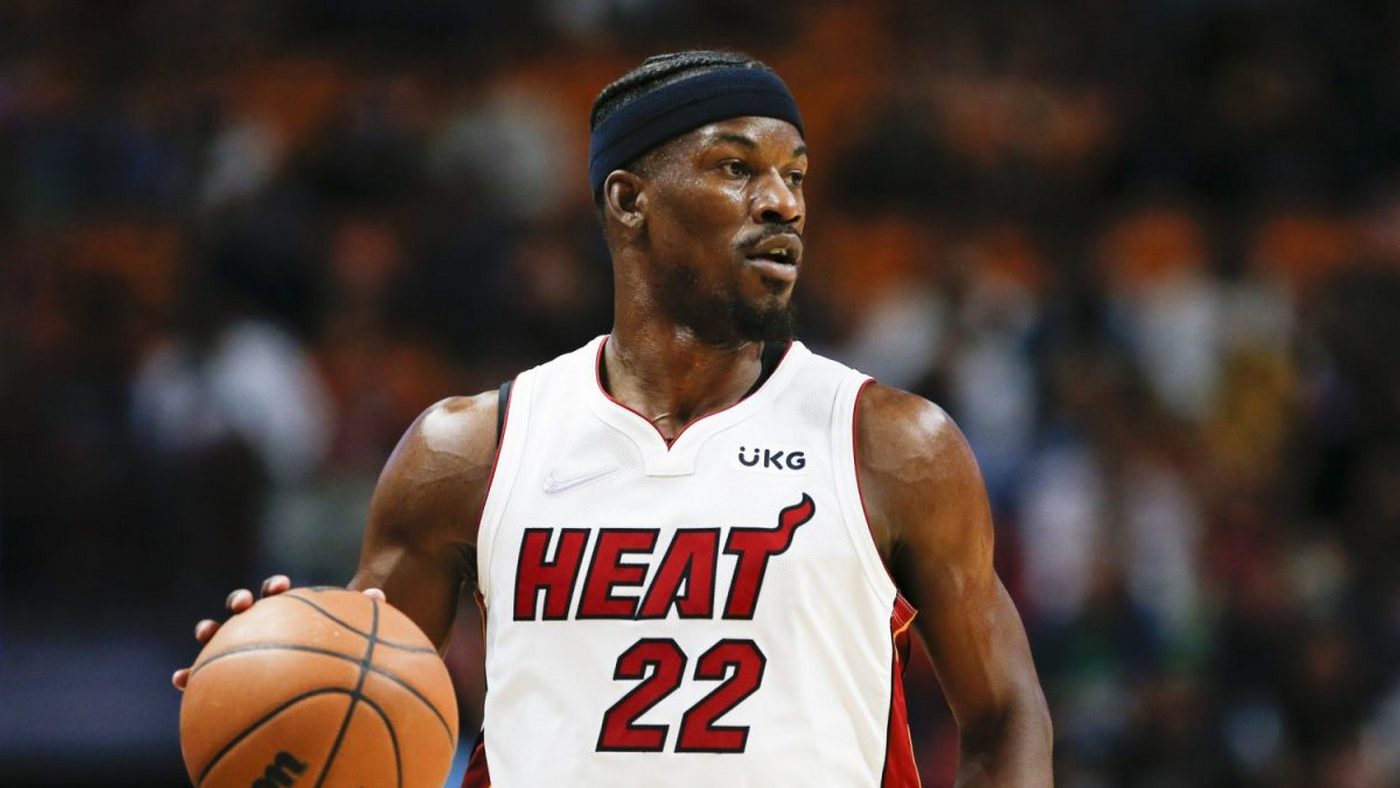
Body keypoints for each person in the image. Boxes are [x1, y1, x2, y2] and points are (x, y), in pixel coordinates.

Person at [175, 50, 1052, 786]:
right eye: (736, 168)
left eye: (794, 176)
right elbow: (355, 704)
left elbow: (1007, 712)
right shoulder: (470, 449)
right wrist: (276, 669)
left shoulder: (888, 444)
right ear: (630, 201)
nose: (782, 202)